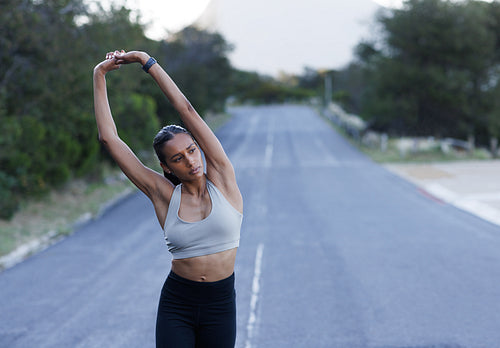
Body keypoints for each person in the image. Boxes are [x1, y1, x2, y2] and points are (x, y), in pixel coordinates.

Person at [93, 50, 243, 348]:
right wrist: (99, 74)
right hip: (178, 304)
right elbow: (109, 139)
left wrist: (147, 62)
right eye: (178, 158)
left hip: (220, 305)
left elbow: (185, 109)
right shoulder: (162, 194)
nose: (190, 161)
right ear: (166, 167)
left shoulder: (223, 178)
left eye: (191, 150)